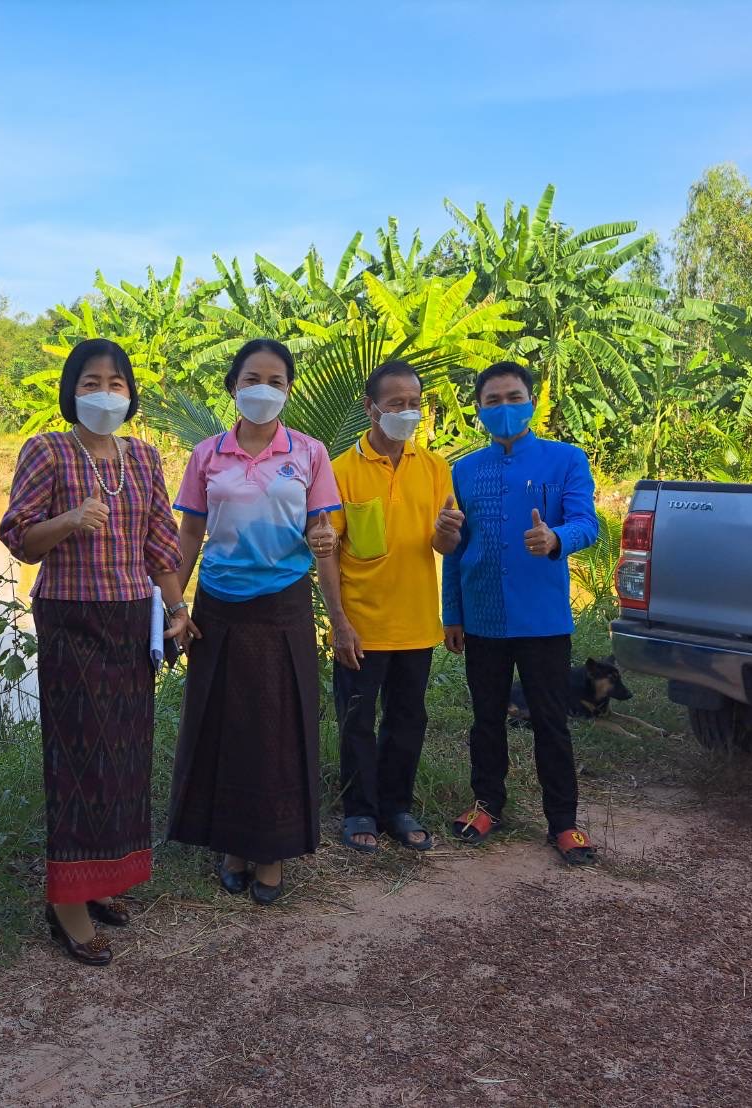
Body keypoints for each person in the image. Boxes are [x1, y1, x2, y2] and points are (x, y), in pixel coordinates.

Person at [0, 338, 190, 967]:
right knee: (79, 758)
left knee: (126, 758)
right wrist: (69, 522)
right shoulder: (47, 450)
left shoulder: (143, 457)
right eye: (90, 382)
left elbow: (163, 542)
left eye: (115, 382)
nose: (104, 393)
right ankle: (68, 906)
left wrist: (177, 608)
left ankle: (104, 882)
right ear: (70, 389)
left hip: (133, 619)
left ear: (130, 392)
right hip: (72, 619)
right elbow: (20, 539)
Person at [167, 338, 340, 905]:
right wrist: (174, 604)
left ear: (287, 390)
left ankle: (271, 851)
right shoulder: (206, 455)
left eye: (275, 380)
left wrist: (337, 616)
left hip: (283, 605)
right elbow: (190, 533)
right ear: (233, 386)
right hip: (218, 606)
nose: (262, 390)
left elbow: (326, 537)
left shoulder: (310, 453)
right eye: (251, 379)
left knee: (277, 731)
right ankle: (230, 846)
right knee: (224, 727)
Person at [441, 361, 600, 865]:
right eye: (493, 400)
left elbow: (587, 524)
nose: (504, 408)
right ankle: (487, 805)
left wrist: (557, 538)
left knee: (551, 721)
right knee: (486, 719)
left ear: (532, 402)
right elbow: (454, 548)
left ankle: (564, 823)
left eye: (514, 397)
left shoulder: (566, 460)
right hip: (483, 617)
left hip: (543, 620)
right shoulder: (464, 470)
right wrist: (453, 613)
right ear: (479, 409)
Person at [316, 360, 460, 854]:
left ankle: (397, 806)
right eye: (395, 403)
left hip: (418, 624)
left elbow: (442, 545)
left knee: (407, 719)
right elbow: (328, 551)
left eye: (414, 404)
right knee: (356, 720)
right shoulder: (339, 471)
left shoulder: (435, 466)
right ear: (370, 408)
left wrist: (447, 535)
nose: (406, 413)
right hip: (361, 625)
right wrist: (339, 622)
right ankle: (359, 810)